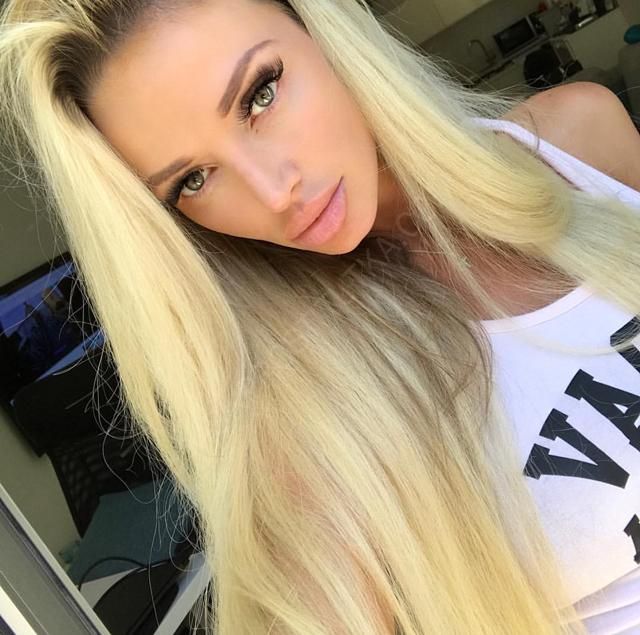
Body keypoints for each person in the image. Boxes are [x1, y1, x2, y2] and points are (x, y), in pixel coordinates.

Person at [1, 1, 640, 633]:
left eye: (260, 94)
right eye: (193, 179)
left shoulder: (576, 137)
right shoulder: (304, 420)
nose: (272, 190)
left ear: (323, 31)